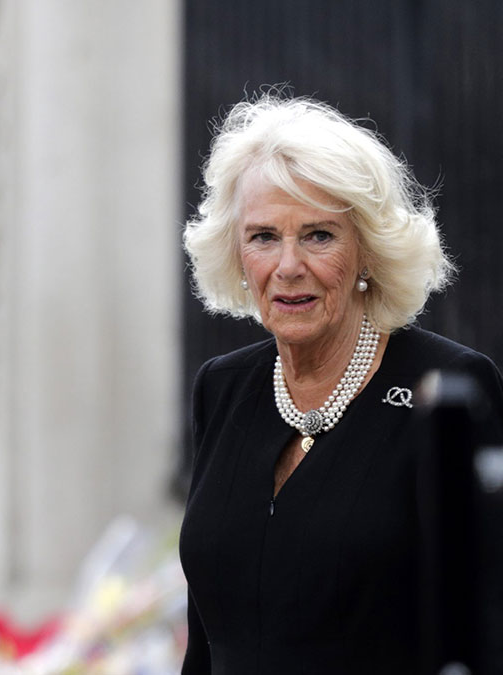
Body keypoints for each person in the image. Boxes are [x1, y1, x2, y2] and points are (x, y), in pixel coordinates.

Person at [178, 93, 503, 673]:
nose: (288, 266)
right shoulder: (221, 388)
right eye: (263, 236)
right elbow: (204, 643)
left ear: (367, 253)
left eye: (318, 235)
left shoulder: (449, 387)